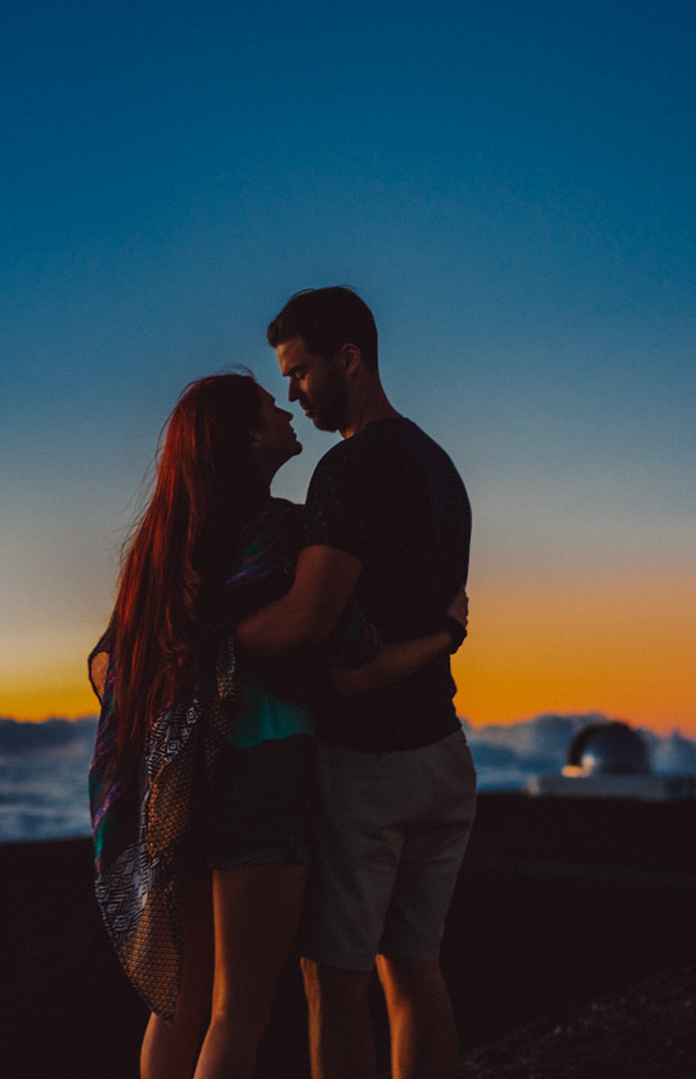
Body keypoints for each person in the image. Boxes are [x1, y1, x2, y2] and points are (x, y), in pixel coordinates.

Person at [88, 372, 461, 1079]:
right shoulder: (285, 535)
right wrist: (445, 633)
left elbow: (109, 667)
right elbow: (352, 659)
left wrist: (189, 678)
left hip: (176, 781)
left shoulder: (160, 551)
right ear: (245, 441)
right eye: (268, 408)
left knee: (177, 1005)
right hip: (261, 774)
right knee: (239, 1010)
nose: (288, 409)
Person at [234, 287, 475, 1079]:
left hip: (368, 762)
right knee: (415, 971)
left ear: (349, 357)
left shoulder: (349, 468)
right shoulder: (441, 465)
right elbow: (429, 613)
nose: (291, 393)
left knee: (334, 979)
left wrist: (211, 644)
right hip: (442, 753)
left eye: (299, 372)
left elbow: (308, 618)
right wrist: (442, 637)